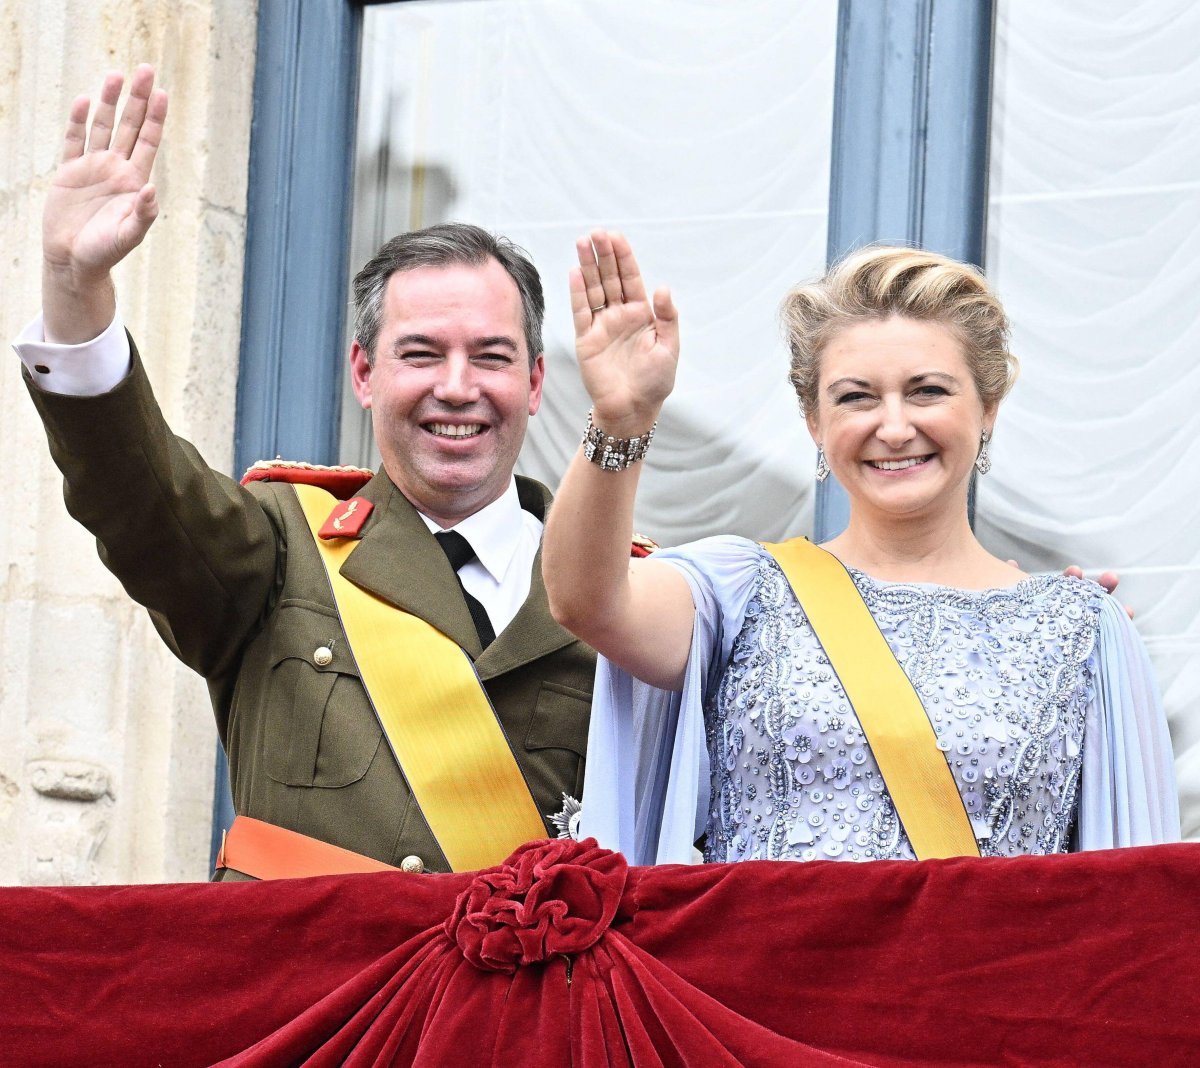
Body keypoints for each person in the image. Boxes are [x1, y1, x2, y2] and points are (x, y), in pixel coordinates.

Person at [15, 66, 596, 878]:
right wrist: (76, 290)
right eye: (420, 354)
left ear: (534, 383)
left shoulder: (605, 592)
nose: (457, 387)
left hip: (525, 1006)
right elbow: (136, 495)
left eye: (491, 358)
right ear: (364, 373)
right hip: (314, 999)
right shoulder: (280, 546)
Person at [543, 230, 1179, 866]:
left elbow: (1133, 901)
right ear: (814, 422)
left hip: (990, 968)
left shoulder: (1078, 627)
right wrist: (621, 419)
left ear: (988, 407)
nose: (895, 427)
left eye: (928, 390)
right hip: (765, 966)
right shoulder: (741, 592)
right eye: (856, 397)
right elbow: (587, 600)